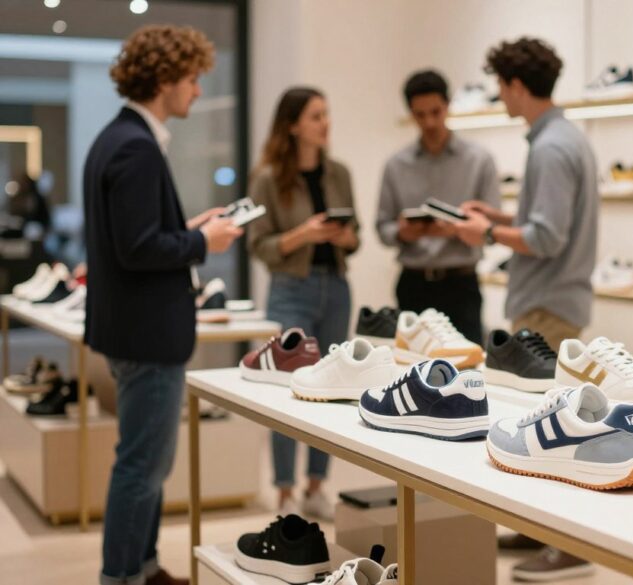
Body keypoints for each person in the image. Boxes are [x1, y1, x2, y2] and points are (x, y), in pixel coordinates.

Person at [84, 25, 241, 585]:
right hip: (146, 335)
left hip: (131, 329)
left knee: (147, 464)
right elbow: (137, 248)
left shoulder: (117, 137)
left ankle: (142, 568)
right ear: (166, 79)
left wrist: (189, 230)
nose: (198, 92)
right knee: (142, 468)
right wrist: (204, 243)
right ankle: (124, 576)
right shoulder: (135, 145)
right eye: (194, 79)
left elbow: (134, 236)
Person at [454, 36, 599, 581]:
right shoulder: (564, 138)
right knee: (549, 424)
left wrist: (485, 230)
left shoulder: (551, 147)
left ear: (516, 85)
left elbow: (546, 237)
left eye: (501, 86)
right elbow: (543, 221)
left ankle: (567, 546)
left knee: (556, 433)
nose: (499, 96)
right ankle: (544, 530)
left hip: (546, 305)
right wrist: (495, 213)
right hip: (555, 300)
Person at [248, 87, 359, 518]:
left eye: (326, 114)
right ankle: (283, 491)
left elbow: (356, 237)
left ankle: (316, 485)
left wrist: (345, 237)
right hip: (290, 287)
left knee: (331, 390)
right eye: (316, 116)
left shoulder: (340, 174)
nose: (324, 123)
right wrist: (304, 234)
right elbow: (260, 246)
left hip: (336, 287)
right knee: (287, 388)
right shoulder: (269, 180)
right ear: (293, 125)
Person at [375, 69, 500, 344]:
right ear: (410, 113)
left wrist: (459, 229)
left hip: (461, 284)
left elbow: (492, 227)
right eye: (420, 115)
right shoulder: (396, 165)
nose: (430, 122)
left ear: (448, 105)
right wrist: (402, 232)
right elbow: (382, 226)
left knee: (467, 371)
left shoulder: (479, 160)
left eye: (436, 111)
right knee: (410, 366)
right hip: (413, 284)